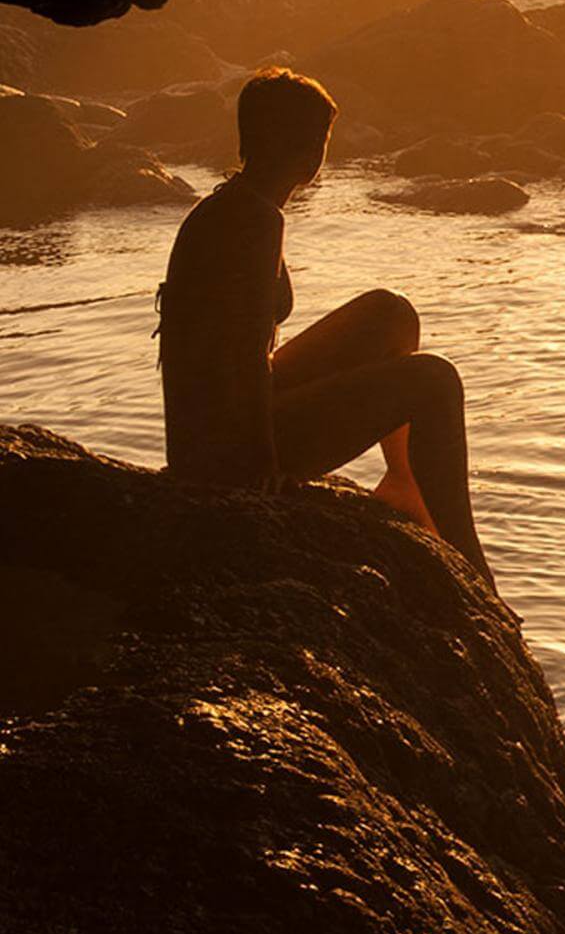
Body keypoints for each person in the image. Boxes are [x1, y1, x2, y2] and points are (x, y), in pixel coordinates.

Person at [157, 66, 496, 590]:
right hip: (227, 450)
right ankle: (468, 557)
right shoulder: (253, 221)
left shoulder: (238, 202)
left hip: (221, 420)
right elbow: (241, 355)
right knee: (434, 381)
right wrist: (261, 464)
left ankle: (403, 480)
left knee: (391, 312)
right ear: (307, 149)